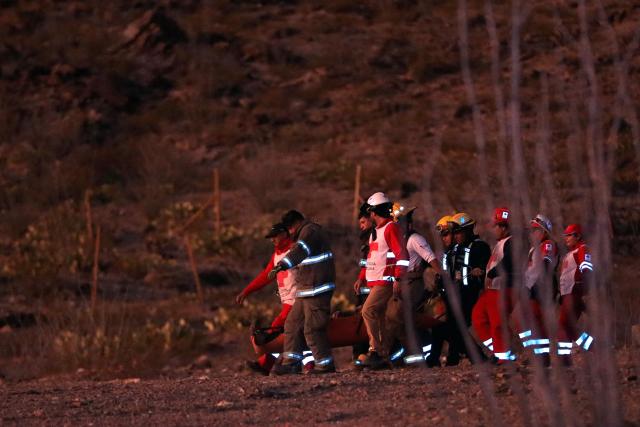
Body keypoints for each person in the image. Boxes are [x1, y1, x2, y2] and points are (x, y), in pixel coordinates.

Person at [270, 210, 337, 375]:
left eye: (290, 229)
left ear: (295, 224)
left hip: (317, 289)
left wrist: (282, 265)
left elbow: (301, 251)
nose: (290, 233)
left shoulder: (310, 232)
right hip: (306, 289)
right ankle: (291, 363)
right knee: (292, 324)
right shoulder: (304, 233)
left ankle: (325, 365)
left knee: (313, 329)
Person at [235, 223, 299, 374]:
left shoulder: (295, 250)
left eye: (274, 236)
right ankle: (269, 364)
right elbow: (266, 275)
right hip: (287, 303)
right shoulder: (277, 255)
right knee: (284, 334)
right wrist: (247, 291)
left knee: (276, 330)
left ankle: (266, 364)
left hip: (297, 301)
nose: (272, 240)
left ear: (284, 234)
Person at [384, 205, 444, 365]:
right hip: (399, 283)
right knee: (393, 319)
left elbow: (431, 258)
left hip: (413, 283)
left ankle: (416, 358)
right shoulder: (395, 240)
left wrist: (443, 277)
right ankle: (397, 356)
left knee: (399, 315)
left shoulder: (415, 239)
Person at [359, 192, 409, 369]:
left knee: (368, 311)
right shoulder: (377, 231)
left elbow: (402, 255)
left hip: (385, 281)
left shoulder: (390, 228)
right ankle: (382, 355)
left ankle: (376, 350)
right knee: (379, 317)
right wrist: (362, 277)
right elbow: (373, 257)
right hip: (376, 282)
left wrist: (398, 278)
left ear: (373, 213)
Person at [437, 212, 491, 365]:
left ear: (468, 230)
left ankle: (469, 358)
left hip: (470, 294)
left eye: (459, 232)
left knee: (457, 325)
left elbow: (486, 266)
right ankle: (461, 357)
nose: (456, 236)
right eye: (454, 233)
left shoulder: (479, 246)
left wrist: (479, 270)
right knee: (452, 327)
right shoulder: (454, 250)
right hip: (454, 294)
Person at [472, 207, 516, 363]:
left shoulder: (512, 242)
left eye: (496, 226)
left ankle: (504, 357)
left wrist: (492, 273)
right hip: (491, 290)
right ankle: (498, 351)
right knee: (478, 317)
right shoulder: (500, 243)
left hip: (502, 289)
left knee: (498, 323)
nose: (493, 229)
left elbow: (510, 262)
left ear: (504, 227)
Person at [517, 214, 559, 364]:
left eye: (535, 230)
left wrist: (537, 287)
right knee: (528, 322)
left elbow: (546, 266)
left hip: (541, 289)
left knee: (530, 321)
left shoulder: (548, 244)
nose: (531, 233)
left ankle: (541, 357)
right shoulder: (534, 248)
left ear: (543, 231)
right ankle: (538, 355)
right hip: (531, 290)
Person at [557, 224, 594, 361]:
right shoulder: (569, 253)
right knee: (569, 327)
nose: (566, 238)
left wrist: (585, 290)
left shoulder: (583, 249)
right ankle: (594, 348)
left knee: (563, 324)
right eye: (565, 235)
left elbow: (587, 268)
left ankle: (565, 358)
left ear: (577, 236)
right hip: (568, 294)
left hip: (575, 292)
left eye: (569, 235)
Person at [426, 214, 457, 367]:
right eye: (442, 236)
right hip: (447, 294)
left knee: (447, 327)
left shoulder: (457, 252)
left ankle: (475, 354)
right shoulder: (448, 253)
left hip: (458, 295)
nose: (444, 239)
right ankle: (436, 357)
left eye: (446, 234)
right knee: (439, 325)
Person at [352, 202, 374, 365]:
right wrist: (360, 279)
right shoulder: (366, 243)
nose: (361, 226)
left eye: (363, 222)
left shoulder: (377, 238)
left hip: (375, 290)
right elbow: (366, 265)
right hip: (365, 291)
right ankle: (359, 356)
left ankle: (369, 355)